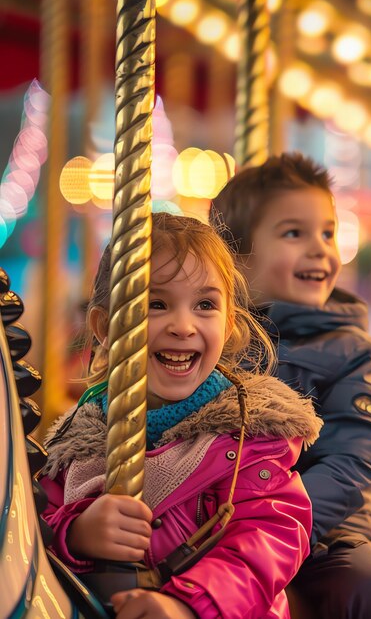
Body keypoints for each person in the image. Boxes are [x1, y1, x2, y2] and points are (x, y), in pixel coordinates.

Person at [40, 212, 323, 619]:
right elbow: (30, 532)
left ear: (227, 325)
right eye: (156, 304)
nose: (183, 325)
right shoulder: (75, 445)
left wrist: (187, 604)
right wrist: (75, 533)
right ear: (105, 327)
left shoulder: (249, 437)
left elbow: (270, 539)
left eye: (205, 305)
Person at [211, 152, 371, 618]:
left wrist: (272, 525)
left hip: (321, 536)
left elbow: (352, 461)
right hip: (209, 522)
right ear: (236, 256)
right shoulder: (214, 340)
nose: (320, 249)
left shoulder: (351, 351)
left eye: (328, 233)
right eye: (295, 233)